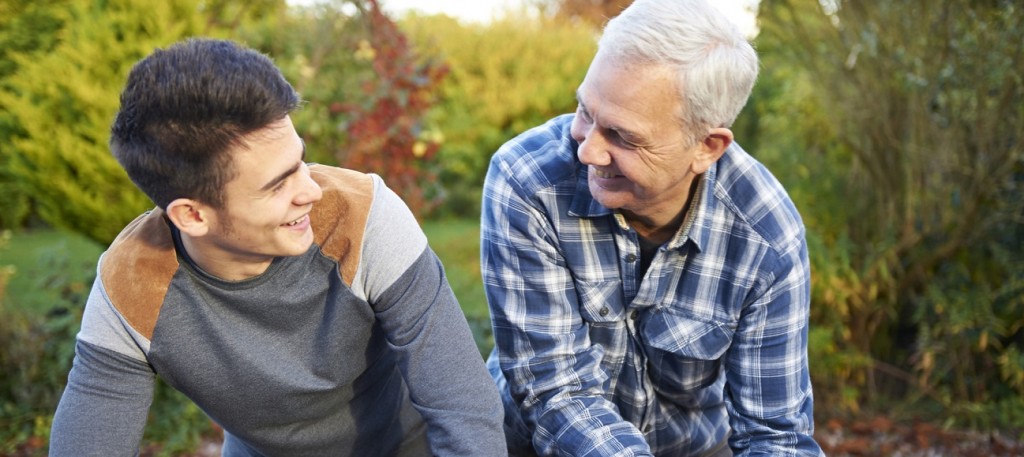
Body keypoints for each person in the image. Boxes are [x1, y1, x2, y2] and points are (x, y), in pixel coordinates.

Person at [50, 38, 505, 456]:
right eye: (277, 184)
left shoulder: (365, 218)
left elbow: (462, 407)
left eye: (300, 161)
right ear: (192, 215)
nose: (310, 190)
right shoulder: (133, 282)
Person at [481, 0, 824, 455]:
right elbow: (556, 390)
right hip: (534, 440)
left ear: (707, 146)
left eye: (622, 136)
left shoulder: (766, 240)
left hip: (692, 447)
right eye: (585, 111)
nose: (588, 152)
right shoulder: (527, 181)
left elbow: (774, 435)